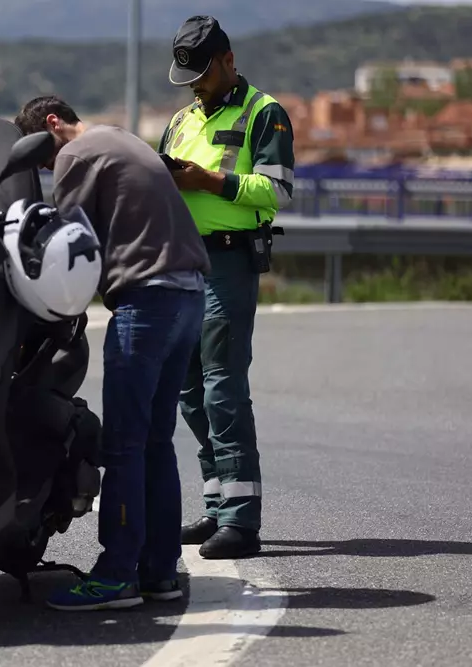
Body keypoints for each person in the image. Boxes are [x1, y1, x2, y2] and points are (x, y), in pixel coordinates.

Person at [14, 96, 211, 611]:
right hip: (188, 294)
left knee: (124, 443)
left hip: (147, 299)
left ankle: (116, 576)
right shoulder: (119, 137)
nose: (45, 168)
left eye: (40, 158)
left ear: (52, 125)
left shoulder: (74, 156)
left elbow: (66, 241)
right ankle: (159, 573)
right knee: (154, 442)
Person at [159, 15, 296, 559]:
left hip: (228, 264)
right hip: (181, 262)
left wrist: (207, 180)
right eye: (187, 76)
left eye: (202, 74)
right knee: (188, 388)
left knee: (222, 386)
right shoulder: (180, 121)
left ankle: (242, 522)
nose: (194, 84)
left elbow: (278, 189)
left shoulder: (266, 113)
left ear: (228, 61)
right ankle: (218, 503)